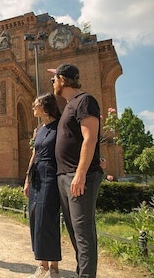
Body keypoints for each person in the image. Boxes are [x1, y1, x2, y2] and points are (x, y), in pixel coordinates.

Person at [49, 63, 103, 277]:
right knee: (74, 231)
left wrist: (80, 173)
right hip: (66, 176)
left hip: (78, 176)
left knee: (83, 233)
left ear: (62, 79)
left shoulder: (85, 101)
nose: (52, 82)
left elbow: (90, 138)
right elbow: (78, 140)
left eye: (54, 79)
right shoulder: (70, 105)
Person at [23, 93, 62, 278]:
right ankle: (42, 265)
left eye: (36, 105)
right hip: (37, 176)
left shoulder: (60, 127)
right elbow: (34, 154)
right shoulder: (39, 129)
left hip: (51, 175)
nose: (33, 107)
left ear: (45, 107)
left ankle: (54, 268)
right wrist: (27, 180)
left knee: (47, 218)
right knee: (35, 217)